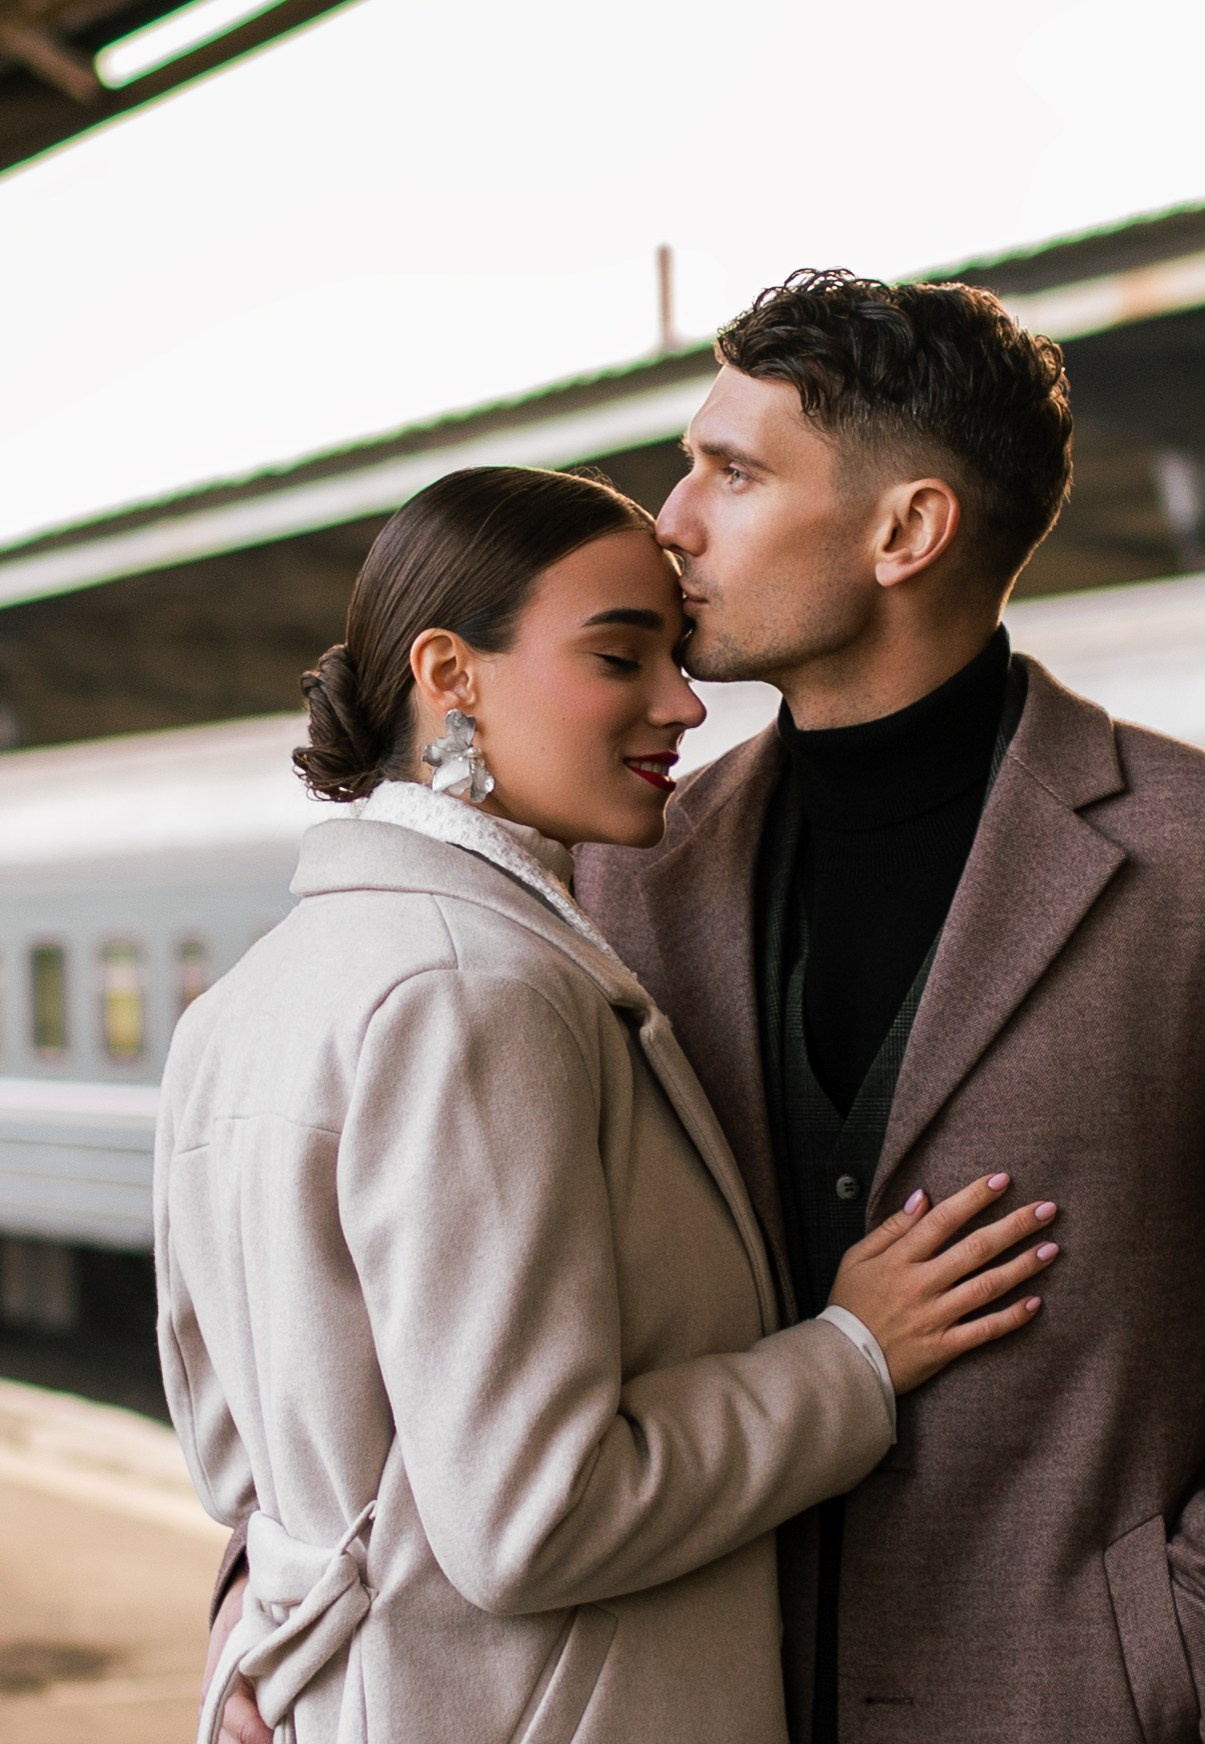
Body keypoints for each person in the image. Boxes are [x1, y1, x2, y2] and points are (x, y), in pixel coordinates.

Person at [159, 466, 1056, 1744]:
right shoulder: (476, 991)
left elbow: (241, 1463)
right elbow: (537, 1512)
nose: (683, 701)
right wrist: (851, 1355)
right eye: (618, 655)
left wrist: (266, 1644)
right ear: (448, 673)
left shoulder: (239, 1006)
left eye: (675, 653)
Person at [572, 270, 1205, 1742]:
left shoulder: (1187, 859)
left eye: (731, 471)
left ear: (906, 531)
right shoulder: (624, 874)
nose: (668, 521)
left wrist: (1166, 1641)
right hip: (686, 1703)